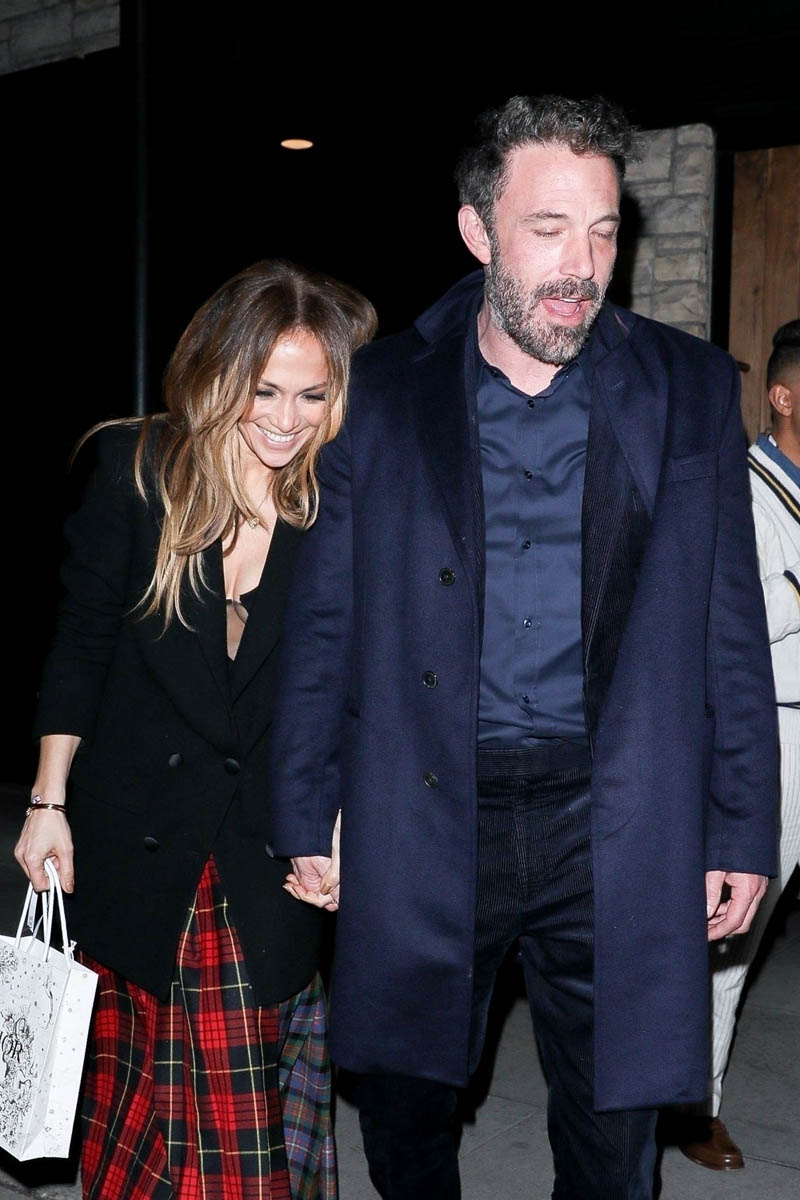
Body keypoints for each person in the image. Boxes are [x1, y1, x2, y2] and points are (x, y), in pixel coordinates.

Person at [266, 94, 778, 1200]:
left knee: (615, 1141)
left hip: (616, 815)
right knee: (405, 1116)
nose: (580, 265)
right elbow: (324, 622)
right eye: (548, 228)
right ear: (477, 231)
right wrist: (306, 807)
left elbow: (728, 626)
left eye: (602, 231)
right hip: (426, 804)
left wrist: (742, 824)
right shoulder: (381, 392)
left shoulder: (688, 390)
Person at [14, 259, 377, 1200]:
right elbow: (81, 643)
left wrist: (341, 820)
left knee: (240, 1116)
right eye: (264, 390)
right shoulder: (139, 471)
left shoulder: (341, 499)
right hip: (142, 832)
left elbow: (362, 686)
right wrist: (47, 802)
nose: (287, 420)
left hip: (268, 844)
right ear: (218, 374)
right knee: (150, 1109)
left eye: (312, 395)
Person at [679, 318, 800, 1171]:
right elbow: (726, 624)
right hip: (775, 731)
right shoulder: (743, 490)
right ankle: (694, 1106)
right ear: (783, 397)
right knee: (731, 933)